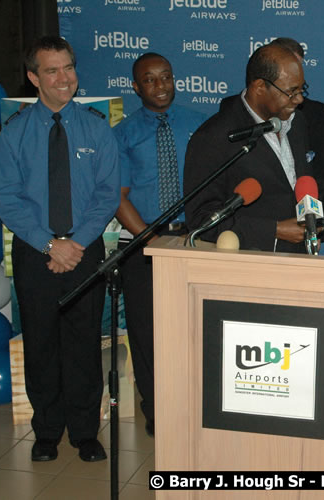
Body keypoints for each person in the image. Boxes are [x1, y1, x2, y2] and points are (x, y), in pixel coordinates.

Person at [0, 36, 120, 463]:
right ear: (33, 77)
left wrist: (76, 242)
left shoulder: (97, 128)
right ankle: (46, 430)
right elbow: (8, 198)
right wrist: (51, 244)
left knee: (85, 342)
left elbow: (106, 194)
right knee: (42, 344)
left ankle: (85, 431)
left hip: (84, 251)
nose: (64, 78)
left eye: (68, 68)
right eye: (52, 70)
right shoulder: (15, 133)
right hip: (36, 251)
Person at [184, 43, 324, 253]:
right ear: (260, 87)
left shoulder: (295, 122)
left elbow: (300, 187)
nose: (299, 99)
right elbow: (202, 219)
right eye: (291, 92)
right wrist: (275, 230)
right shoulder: (215, 136)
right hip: (246, 266)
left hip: (298, 260)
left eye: (301, 89)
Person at [114, 52, 204, 437]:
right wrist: (152, 239)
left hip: (193, 238)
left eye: (166, 76)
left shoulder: (199, 124)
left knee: (194, 328)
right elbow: (117, 198)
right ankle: (155, 407)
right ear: (136, 87)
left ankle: (195, 403)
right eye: (149, 80)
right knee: (147, 331)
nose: (160, 85)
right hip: (142, 242)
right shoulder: (123, 133)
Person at [268, 38, 324, 182]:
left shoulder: (315, 114)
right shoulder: (235, 113)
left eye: (298, 66)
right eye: (289, 66)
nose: (296, 73)